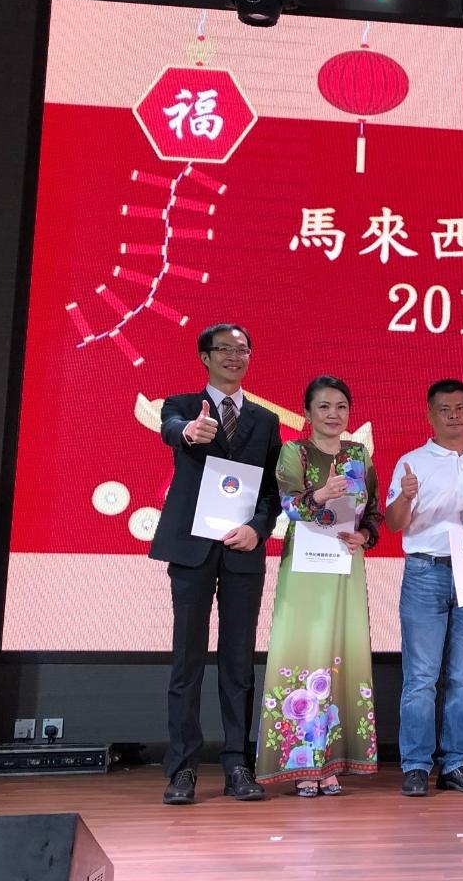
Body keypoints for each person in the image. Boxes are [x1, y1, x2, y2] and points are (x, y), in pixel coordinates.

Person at [152, 323, 281, 805]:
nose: (234, 356)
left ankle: (236, 764)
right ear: (204, 357)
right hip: (192, 548)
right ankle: (182, 768)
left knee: (238, 663)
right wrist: (188, 431)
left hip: (242, 550)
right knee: (187, 660)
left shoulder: (266, 420)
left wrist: (259, 528)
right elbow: (170, 430)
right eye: (224, 349)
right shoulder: (182, 406)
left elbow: (271, 490)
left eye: (242, 349)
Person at [253, 376, 383, 796]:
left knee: (341, 654)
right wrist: (322, 493)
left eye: (341, 407)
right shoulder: (294, 451)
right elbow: (290, 506)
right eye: (324, 407)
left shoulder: (359, 453)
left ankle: (332, 762)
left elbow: (374, 512)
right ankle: (303, 764)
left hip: (346, 563)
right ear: (307, 412)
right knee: (307, 652)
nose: (333, 415)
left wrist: (366, 535)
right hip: (306, 565)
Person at [386, 379, 463, 797]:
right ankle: (416, 765)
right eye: (444, 409)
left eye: (460, 408)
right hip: (425, 571)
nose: (453, 415)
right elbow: (395, 523)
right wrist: (406, 498)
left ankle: (455, 762)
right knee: (420, 677)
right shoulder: (412, 463)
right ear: (430, 415)